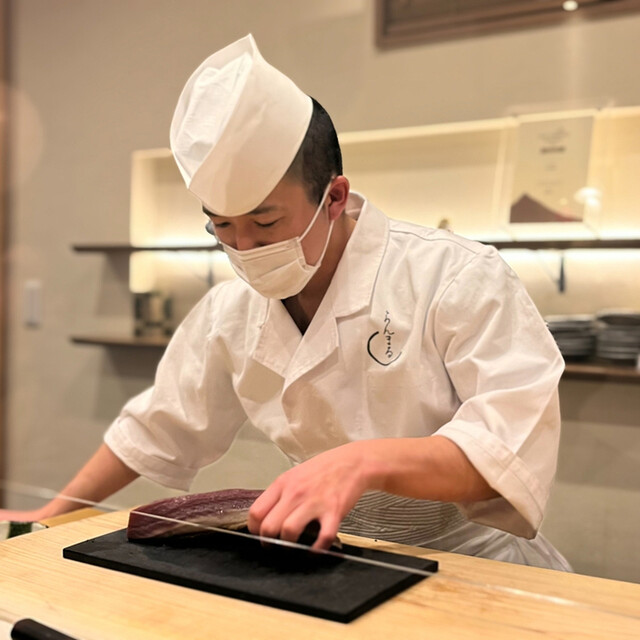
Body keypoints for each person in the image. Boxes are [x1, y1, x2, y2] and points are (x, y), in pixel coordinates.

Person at [1, 34, 570, 569]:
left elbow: (506, 442)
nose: (244, 248)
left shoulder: (453, 275)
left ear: (334, 197)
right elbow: (159, 426)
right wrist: (51, 515)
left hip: (472, 565)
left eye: (266, 222)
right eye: (222, 226)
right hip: (339, 562)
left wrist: (359, 462)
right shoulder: (231, 311)